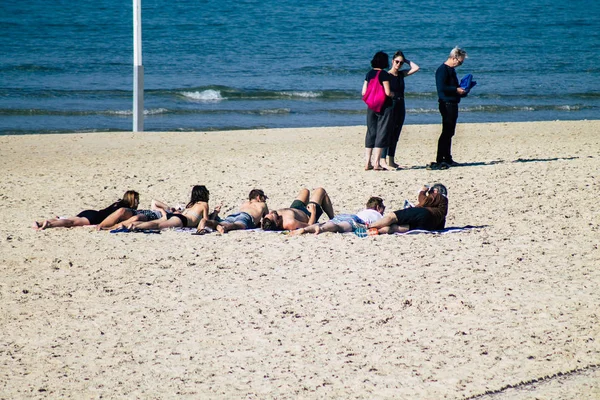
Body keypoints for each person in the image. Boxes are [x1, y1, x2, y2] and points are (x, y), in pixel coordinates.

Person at [427, 47, 468, 170]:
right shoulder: (442, 70)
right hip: (446, 104)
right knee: (446, 132)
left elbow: (452, 86)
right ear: (453, 58)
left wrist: (462, 90)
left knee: (450, 132)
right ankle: (440, 158)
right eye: (459, 62)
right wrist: (456, 89)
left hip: (452, 102)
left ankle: (447, 157)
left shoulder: (451, 70)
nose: (459, 64)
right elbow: (442, 87)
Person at [381, 51, 420, 169]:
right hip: (390, 105)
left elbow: (416, 68)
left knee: (396, 133)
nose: (399, 64)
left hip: (400, 104)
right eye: (397, 61)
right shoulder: (386, 75)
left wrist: (406, 60)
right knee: (388, 132)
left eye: (401, 63)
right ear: (392, 61)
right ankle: (383, 160)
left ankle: (391, 160)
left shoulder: (401, 74)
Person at [32, 190, 139, 230]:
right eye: (136, 200)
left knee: (70, 219)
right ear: (132, 200)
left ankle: (40, 223)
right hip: (95, 218)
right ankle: (49, 225)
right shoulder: (125, 209)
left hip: (92, 212)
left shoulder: (117, 203)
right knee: (71, 223)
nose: (138, 203)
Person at [368, 183, 448, 234]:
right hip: (428, 225)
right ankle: (375, 232)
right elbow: (440, 227)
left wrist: (422, 191)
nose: (429, 194)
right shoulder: (442, 210)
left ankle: (367, 227)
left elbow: (424, 201)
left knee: (392, 217)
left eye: (430, 192)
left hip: (424, 213)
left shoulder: (439, 196)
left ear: (435, 191)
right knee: (395, 228)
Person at [127, 185, 215, 230]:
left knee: (154, 222)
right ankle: (137, 227)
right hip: (182, 220)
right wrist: (215, 214)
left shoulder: (191, 205)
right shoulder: (204, 204)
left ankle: (129, 225)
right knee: (158, 225)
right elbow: (206, 220)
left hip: (175, 216)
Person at [362, 51, 394, 171]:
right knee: (382, 132)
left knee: (371, 132)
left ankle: (367, 163)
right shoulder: (384, 74)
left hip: (371, 105)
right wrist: (393, 94)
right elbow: (387, 92)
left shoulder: (369, 74)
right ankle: (376, 163)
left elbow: (363, 92)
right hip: (384, 107)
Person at [291, 196, 385, 235]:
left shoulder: (364, 211)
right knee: (338, 227)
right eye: (383, 207)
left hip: (345, 216)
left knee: (327, 223)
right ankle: (321, 229)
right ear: (378, 207)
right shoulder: (378, 215)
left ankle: (307, 229)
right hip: (355, 220)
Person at [196, 189, 269, 234]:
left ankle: (207, 222)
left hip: (235, 215)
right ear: (258, 197)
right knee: (237, 225)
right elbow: (267, 219)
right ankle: (224, 227)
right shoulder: (262, 204)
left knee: (222, 222)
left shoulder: (245, 203)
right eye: (264, 197)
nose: (265, 199)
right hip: (246, 217)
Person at [261, 187, 335, 231]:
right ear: (277, 222)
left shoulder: (266, 221)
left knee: (305, 191)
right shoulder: (290, 223)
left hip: (295, 208)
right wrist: (313, 213)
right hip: (308, 213)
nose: (271, 212)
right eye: (274, 215)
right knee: (321, 190)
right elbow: (309, 225)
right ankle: (333, 218)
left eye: (268, 214)